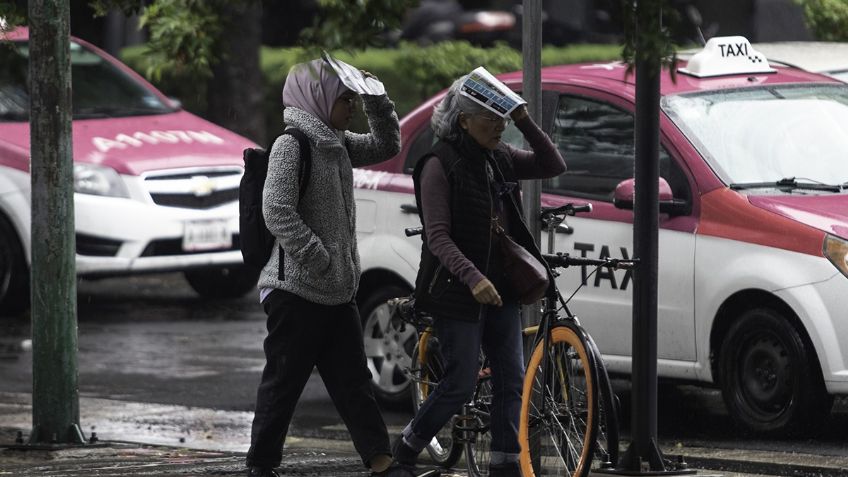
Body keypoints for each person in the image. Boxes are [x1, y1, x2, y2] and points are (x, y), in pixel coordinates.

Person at [245, 59, 431, 477]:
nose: (350, 106)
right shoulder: (292, 145)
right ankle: (260, 465)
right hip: (296, 291)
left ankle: (380, 460)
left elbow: (388, 145)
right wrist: (318, 258)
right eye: (344, 98)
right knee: (283, 385)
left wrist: (377, 100)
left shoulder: (337, 142)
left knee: (353, 383)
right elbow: (276, 210)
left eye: (350, 98)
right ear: (319, 98)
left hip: (337, 290)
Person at [394, 75, 566, 477]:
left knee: (512, 380)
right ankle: (408, 444)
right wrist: (473, 278)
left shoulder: (500, 155)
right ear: (463, 121)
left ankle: (505, 466)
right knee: (459, 384)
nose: (498, 124)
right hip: (457, 291)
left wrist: (524, 121)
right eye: (489, 117)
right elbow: (438, 237)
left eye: (501, 117)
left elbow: (552, 164)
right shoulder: (438, 164)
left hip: (502, 288)